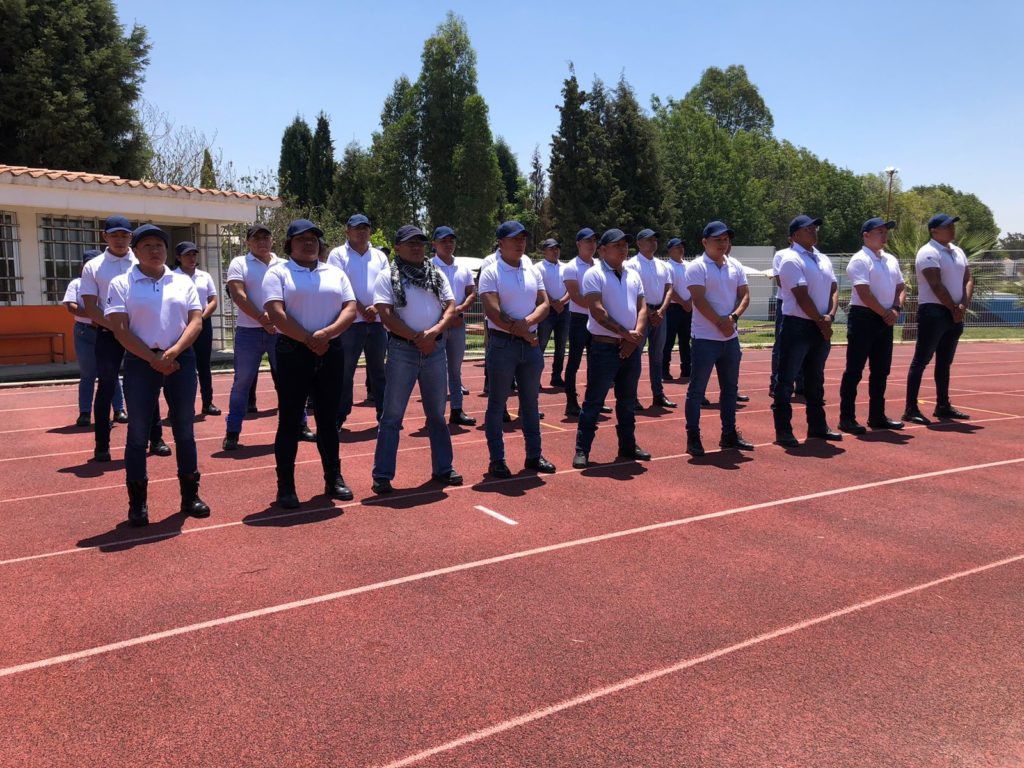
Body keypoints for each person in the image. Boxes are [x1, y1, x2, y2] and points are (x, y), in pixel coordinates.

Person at [104, 224, 206, 526]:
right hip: (140, 362)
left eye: (159, 244)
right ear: (135, 252)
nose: (154, 249)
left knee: (185, 430)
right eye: (146, 245)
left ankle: (190, 497)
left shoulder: (182, 282)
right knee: (137, 434)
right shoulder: (122, 284)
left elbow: (196, 322)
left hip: (180, 361)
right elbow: (120, 329)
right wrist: (152, 358)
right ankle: (138, 504)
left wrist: (172, 353)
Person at [262, 219, 357, 509]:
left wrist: (326, 335)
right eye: (301, 239)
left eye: (313, 238)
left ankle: (333, 477)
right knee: (290, 420)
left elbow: (350, 308)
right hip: (293, 351)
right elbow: (275, 313)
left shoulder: (335, 272)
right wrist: (307, 338)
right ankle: (286, 487)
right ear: (289, 244)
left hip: (331, 350)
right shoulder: (277, 272)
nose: (308, 243)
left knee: (328, 420)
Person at [372, 225, 462, 493]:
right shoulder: (387, 276)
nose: (416, 247)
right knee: (392, 415)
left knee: (437, 415)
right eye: (410, 243)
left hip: (434, 349)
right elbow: (386, 315)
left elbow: (451, 307)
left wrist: (432, 334)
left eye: (420, 243)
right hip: (402, 350)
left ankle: (443, 468)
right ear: (397, 247)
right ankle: (383, 474)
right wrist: (416, 338)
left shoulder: (436, 274)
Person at [80, 215, 169, 462]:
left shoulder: (142, 260)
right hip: (109, 334)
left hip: (142, 335)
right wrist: (119, 329)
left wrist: (131, 332)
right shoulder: (94, 266)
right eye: (114, 235)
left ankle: (157, 438)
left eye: (124, 235)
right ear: (104, 237)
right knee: (107, 386)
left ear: (131, 238)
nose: (119, 240)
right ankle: (102, 445)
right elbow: (90, 307)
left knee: (148, 385)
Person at [223, 224, 315, 449]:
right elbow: (238, 294)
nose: (261, 241)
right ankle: (232, 431)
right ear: (248, 242)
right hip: (249, 333)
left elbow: (291, 296)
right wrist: (262, 318)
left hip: (280, 333)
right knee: (242, 383)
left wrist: (277, 321)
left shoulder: (284, 264)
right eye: (256, 238)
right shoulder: (239, 263)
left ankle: (300, 425)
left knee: (289, 381)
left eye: (266, 236)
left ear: (273, 240)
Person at [478, 220, 556, 478]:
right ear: (501, 242)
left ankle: (534, 455)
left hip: (529, 343)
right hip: (503, 345)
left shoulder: (532, 269)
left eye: (523, 238)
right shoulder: (491, 271)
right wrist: (524, 332)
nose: (520, 243)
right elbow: (493, 311)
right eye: (515, 238)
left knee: (530, 404)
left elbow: (544, 303)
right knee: (497, 404)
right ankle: (497, 459)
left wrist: (529, 325)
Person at [572, 229, 652, 468]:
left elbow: (643, 308)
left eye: (625, 245)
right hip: (604, 347)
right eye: (617, 245)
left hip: (631, 347)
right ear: (603, 250)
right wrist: (626, 334)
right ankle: (582, 449)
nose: (623, 249)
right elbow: (597, 311)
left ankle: (627, 445)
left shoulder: (633, 274)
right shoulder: (593, 274)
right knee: (594, 401)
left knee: (627, 401)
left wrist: (633, 338)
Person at [683, 221, 753, 456]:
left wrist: (731, 319)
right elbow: (699, 300)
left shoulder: (736, 265)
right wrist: (720, 322)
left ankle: (729, 433)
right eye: (717, 240)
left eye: (726, 239)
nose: (723, 244)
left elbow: (745, 296)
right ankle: (693, 435)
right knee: (697, 389)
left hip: (729, 337)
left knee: (730, 389)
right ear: (705, 242)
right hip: (704, 338)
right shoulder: (696, 267)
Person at [773, 215, 842, 446]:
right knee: (786, 380)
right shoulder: (790, 259)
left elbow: (834, 288)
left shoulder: (822, 258)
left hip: (820, 324)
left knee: (815, 379)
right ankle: (783, 430)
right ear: (794, 235)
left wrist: (829, 316)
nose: (814, 231)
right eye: (808, 228)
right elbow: (800, 295)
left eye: (815, 228)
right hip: (798, 326)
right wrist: (821, 321)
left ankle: (817, 426)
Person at [902, 214, 974, 424]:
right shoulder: (928, 252)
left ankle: (943, 405)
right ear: (934, 230)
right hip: (933, 312)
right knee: (921, 360)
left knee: (945, 362)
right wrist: (954, 307)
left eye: (953, 225)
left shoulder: (958, 251)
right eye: (947, 226)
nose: (952, 229)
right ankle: (910, 408)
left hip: (955, 312)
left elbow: (968, 278)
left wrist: (962, 305)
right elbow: (935, 284)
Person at [838, 219, 906, 433]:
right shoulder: (859, 260)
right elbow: (864, 293)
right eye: (879, 231)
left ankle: (877, 415)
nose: (884, 236)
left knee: (881, 371)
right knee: (854, 370)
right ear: (866, 235)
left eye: (885, 232)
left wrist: (895, 309)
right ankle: (846, 418)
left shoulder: (891, 259)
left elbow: (901, 287)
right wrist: (885, 313)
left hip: (885, 318)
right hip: (864, 318)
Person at [327, 213, 389, 428]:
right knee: (345, 371)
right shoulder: (337, 255)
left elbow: (385, 285)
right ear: (348, 231)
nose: (361, 232)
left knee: (379, 371)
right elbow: (338, 285)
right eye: (356, 228)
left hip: (377, 321)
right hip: (350, 323)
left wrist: (376, 307)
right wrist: (362, 308)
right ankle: (339, 415)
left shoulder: (380, 256)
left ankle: (385, 415)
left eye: (365, 227)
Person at [64, 248, 127, 427]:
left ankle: (119, 409)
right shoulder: (76, 284)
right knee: (88, 374)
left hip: (108, 330)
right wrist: (94, 316)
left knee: (112, 372)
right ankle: (85, 413)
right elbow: (71, 307)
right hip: (85, 332)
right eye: (87, 263)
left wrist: (103, 318)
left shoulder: (106, 282)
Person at [430, 225, 478, 426]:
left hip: (457, 325)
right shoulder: (428, 266)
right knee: (436, 370)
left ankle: (456, 410)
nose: (448, 244)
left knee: (455, 370)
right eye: (443, 241)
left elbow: (472, 293)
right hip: (437, 325)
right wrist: (447, 315)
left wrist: (459, 311)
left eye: (451, 241)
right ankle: (436, 413)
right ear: (434, 244)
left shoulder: (463, 268)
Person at [562, 228, 610, 418]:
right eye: (587, 241)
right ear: (578, 244)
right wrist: (597, 308)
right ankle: (571, 402)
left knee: (596, 361)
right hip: (579, 319)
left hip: (597, 318)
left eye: (594, 241)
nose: (592, 245)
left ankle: (595, 400)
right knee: (574, 361)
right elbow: (575, 296)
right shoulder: (571, 268)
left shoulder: (600, 265)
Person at [626, 228, 676, 410]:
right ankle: (631, 396)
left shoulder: (663, 265)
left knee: (657, 357)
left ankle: (658, 394)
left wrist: (661, 310)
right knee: (635, 357)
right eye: (649, 239)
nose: (653, 242)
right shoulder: (631, 265)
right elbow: (633, 292)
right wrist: (648, 313)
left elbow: (669, 289)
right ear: (639, 243)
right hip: (641, 315)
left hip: (660, 314)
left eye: (655, 239)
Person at [173, 241, 220, 416]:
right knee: (183, 366)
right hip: (181, 326)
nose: (191, 258)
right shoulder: (172, 276)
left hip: (203, 324)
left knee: (203, 365)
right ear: (178, 257)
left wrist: (200, 318)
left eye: (194, 254)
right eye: (187, 255)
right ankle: (180, 406)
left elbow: (213, 301)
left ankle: (207, 402)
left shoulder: (204, 276)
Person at [770, 236, 804, 399]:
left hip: (806, 305)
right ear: (791, 238)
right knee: (781, 345)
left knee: (804, 346)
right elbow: (781, 281)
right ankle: (776, 383)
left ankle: (801, 383)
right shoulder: (782, 255)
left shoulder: (815, 256)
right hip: (786, 302)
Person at [535, 238, 570, 387]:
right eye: (551, 248)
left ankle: (556, 376)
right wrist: (553, 303)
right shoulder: (538, 267)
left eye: (557, 248)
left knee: (561, 346)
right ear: (544, 251)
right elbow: (539, 288)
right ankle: (535, 378)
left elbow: (571, 287)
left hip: (564, 309)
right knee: (540, 345)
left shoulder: (566, 267)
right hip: (546, 311)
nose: (555, 251)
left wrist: (561, 302)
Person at [662, 237, 691, 382]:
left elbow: (695, 285)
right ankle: (664, 371)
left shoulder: (689, 265)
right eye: (677, 247)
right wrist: (682, 302)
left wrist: (690, 302)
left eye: (682, 246)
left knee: (686, 341)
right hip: (673, 308)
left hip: (688, 308)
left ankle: (687, 370)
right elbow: (669, 289)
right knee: (669, 340)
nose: (681, 249)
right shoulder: (667, 266)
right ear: (670, 250)